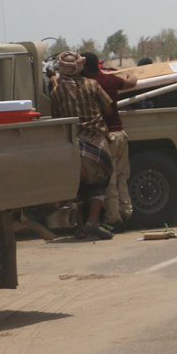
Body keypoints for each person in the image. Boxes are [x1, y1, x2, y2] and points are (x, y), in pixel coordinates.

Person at [49, 51, 115, 240]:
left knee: (77, 188)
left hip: (72, 145)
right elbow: (108, 110)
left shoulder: (56, 92)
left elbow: (56, 118)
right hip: (95, 141)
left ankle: (79, 227)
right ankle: (93, 221)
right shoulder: (92, 85)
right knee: (99, 184)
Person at [81, 52, 137, 228]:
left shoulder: (89, 85)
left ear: (85, 68)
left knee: (109, 179)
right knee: (122, 176)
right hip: (121, 133)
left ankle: (113, 217)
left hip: (107, 137)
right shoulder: (111, 80)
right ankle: (126, 211)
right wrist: (131, 74)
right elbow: (132, 82)